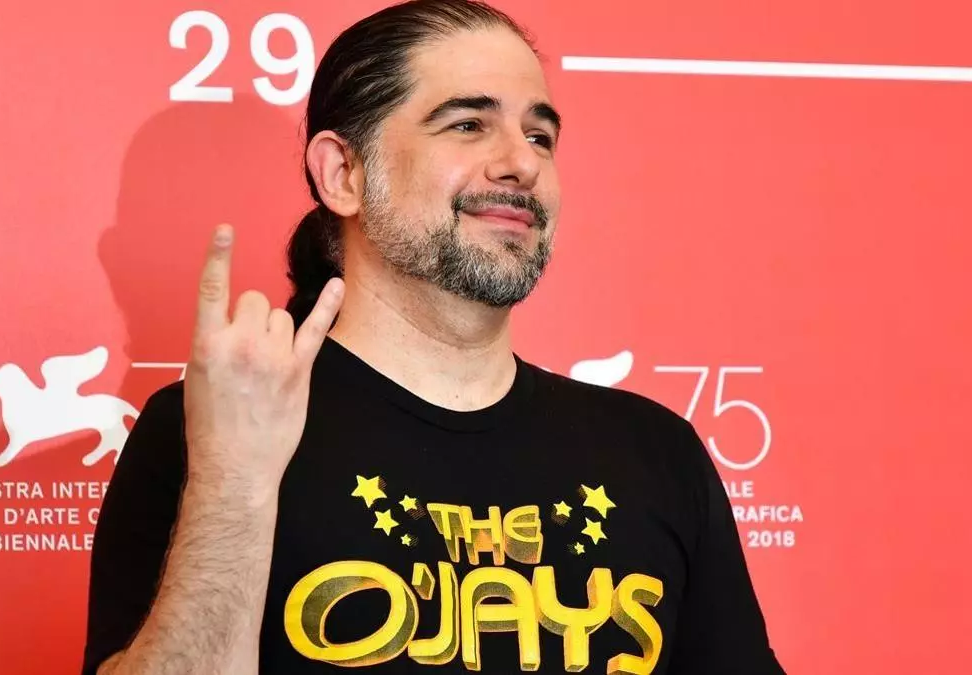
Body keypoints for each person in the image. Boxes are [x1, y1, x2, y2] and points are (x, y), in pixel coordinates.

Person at [80, 1, 786, 673]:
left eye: (539, 136)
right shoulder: (211, 431)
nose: (522, 163)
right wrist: (234, 487)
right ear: (344, 174)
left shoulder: (654, 451)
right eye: (469, 125)